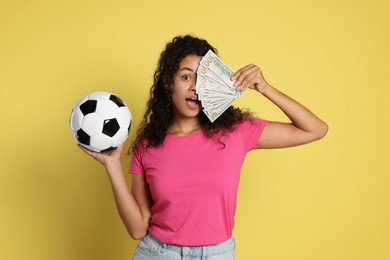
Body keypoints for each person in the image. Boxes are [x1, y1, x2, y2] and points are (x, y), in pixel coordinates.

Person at [79, 35, 328, 259]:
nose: (195, 87)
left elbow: (315, 129)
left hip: (217, 254)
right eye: (186, 76)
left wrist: (265, 88)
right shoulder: (148, 144)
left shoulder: (237, 131)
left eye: (203, 79)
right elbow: (137, 228)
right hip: (158, 254)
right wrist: (112, 165)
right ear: (169, 82)